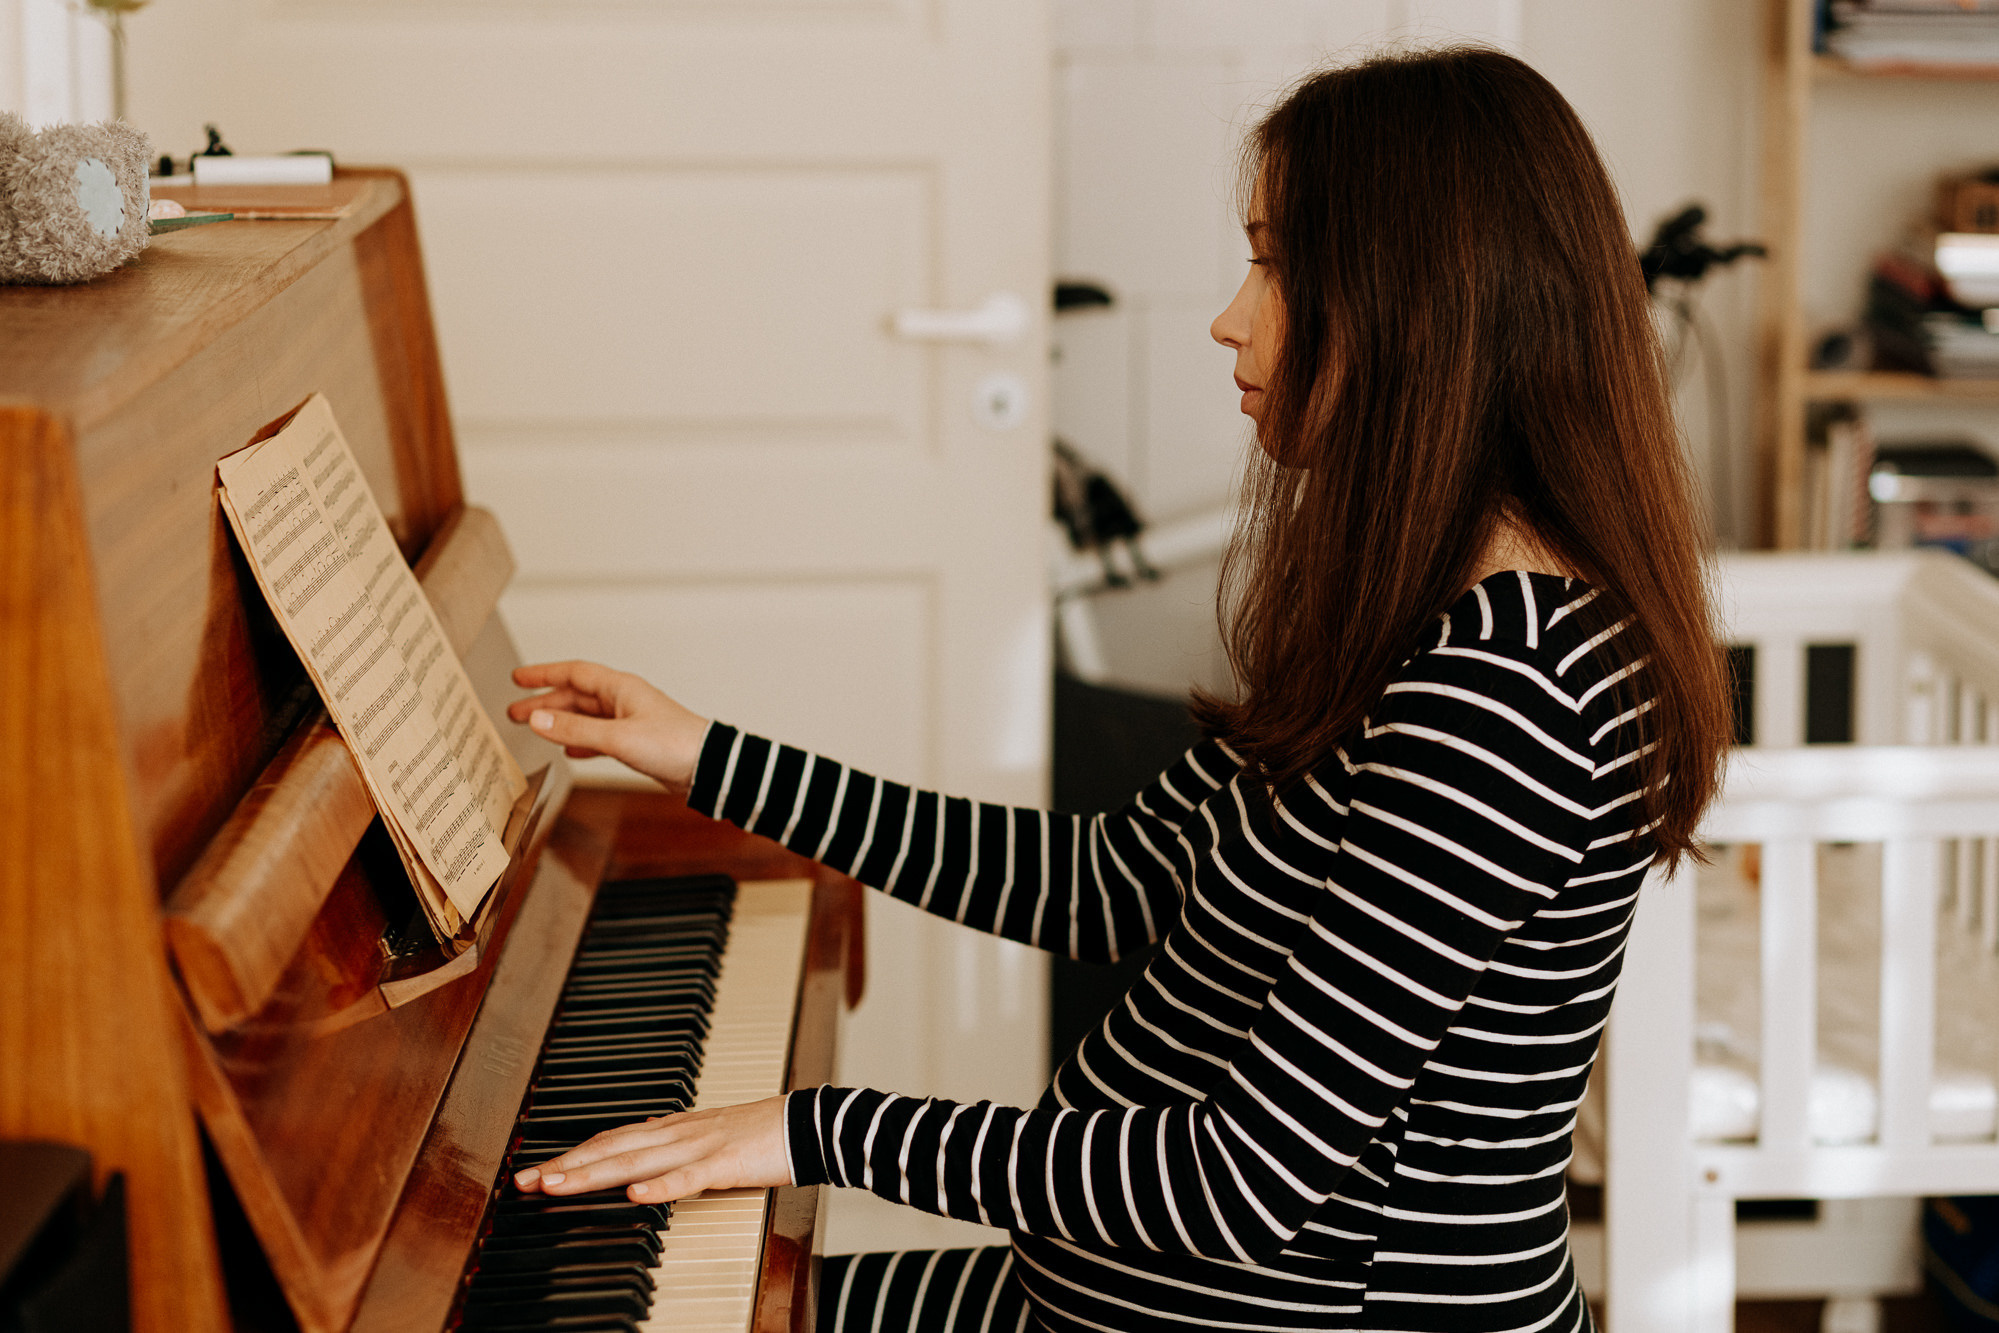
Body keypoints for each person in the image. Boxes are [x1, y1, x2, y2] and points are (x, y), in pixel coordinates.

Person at [506, 45, 1731, 1333]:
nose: (1229, 317)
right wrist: (704, 756)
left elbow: (1248, 1181)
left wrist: (818, 1132)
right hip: (1125, 1297)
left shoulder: (1507, 691)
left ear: (1421, 303)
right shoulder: (1421, 617)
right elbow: (1109, 884)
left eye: (1275, 263)